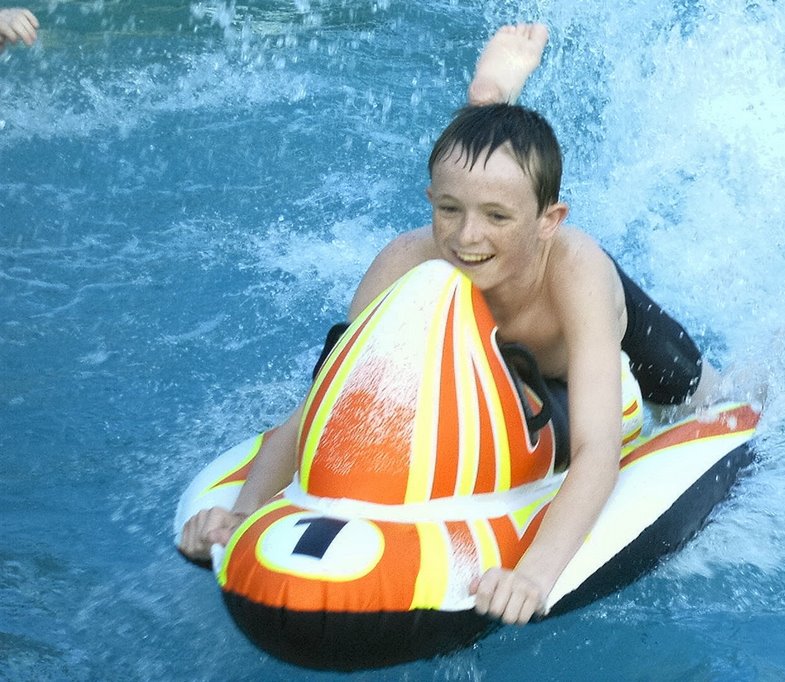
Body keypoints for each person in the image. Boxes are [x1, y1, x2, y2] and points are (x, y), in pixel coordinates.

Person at [180, 23, 725, 626]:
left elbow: (598, 451)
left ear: (551, 220)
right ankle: (488, 105)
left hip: (562, 360)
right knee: (482, 170)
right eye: (448, 210)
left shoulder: (577, 272)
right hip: (487, 351)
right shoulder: (406, 262)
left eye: (496, 216)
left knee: (689, 389)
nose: (466, 237)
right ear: (429, 202)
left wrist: (535, 574)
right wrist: (245, 512)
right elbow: (317, 411)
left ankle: (493, 98)